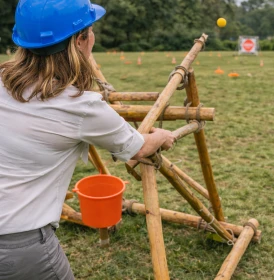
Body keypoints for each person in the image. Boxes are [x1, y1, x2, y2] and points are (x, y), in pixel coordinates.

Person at [0, 0, 176, 279]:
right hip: (19, 244)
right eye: (90, 30)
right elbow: (139, 149)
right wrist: (163, 135)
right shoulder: (81, 106)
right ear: (80, 40)